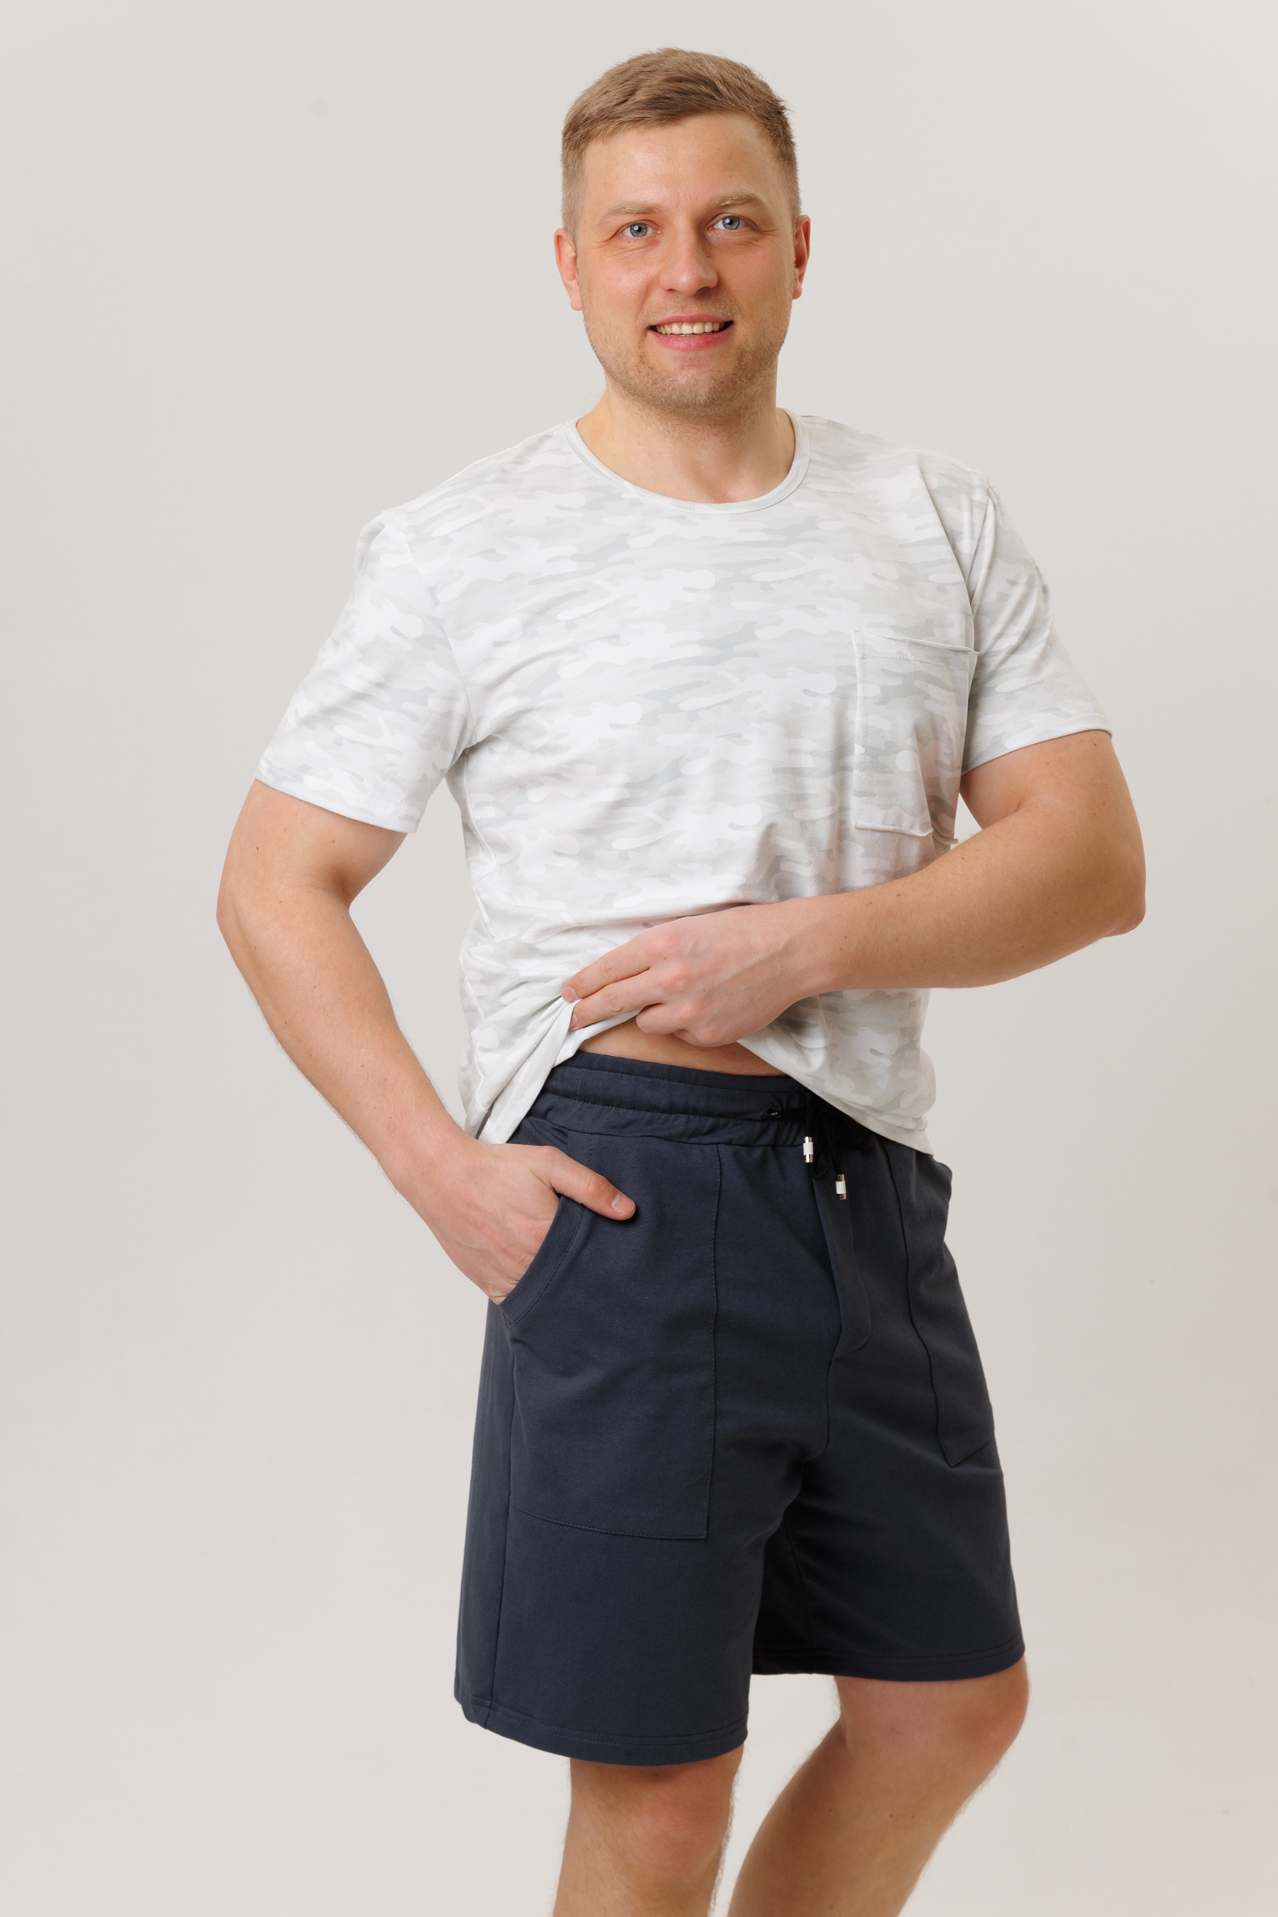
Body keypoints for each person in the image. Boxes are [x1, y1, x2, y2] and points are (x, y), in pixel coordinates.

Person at [217, 47, 1144, 1917]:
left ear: (798, 246)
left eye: (727, 222)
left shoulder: (931, 519)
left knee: (947, 1707)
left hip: (866, 1187)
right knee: (655, 1793)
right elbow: (273, 882)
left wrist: (805, 941)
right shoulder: (465, 547)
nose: (685, 268)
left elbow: (1091, 864)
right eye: (634, 231)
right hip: (629, 1193)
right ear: (570, 267)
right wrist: (435, 1164)